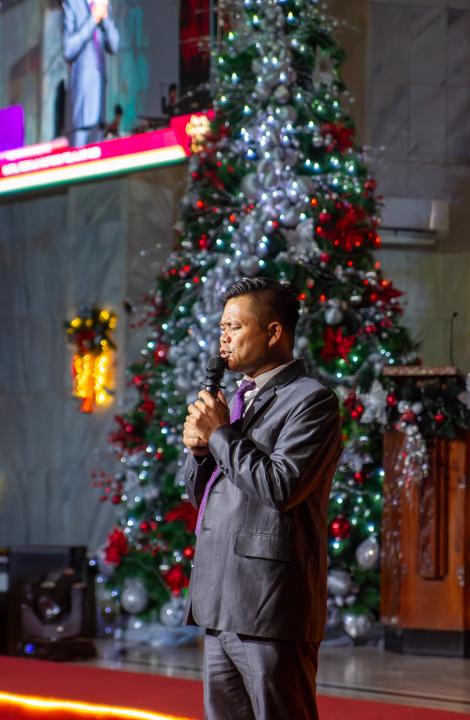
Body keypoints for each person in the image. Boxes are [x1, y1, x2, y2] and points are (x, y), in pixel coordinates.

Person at [182, 277, 342, 720]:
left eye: (234, 327)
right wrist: (200, 453)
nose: (224, 339)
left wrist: (220, 435)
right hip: (219, 600)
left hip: (269, 603)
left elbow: (281, 486)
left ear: (273, 332)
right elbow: (203, 497)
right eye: (221, 328)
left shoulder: (312, 401)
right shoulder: (236, 400)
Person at [62, 0, 119, 147]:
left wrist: (105, 17)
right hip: (82, 105)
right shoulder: (72, 3)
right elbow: (68, 49)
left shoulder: (103, 5)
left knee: (98, 153)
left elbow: (114, 45)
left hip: (99, 105)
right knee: (79, 156)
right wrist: (93, 19)